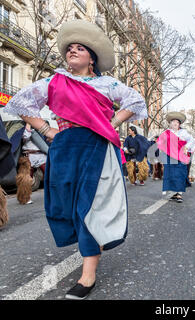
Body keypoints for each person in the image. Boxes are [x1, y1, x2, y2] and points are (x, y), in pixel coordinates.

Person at [3, 20, 147, 299]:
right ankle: (91, 244)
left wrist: (112, 121)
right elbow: (21, 103)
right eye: (70, 48)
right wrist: (46, 129)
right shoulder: (54, 81)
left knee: (88, 205)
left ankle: (87, 274)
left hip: (96, 147)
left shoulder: (106, 83)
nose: (72, 51)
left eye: (80, 48)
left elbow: (135, 101)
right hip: (65, 146)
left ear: (91, 59)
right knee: (64, 204)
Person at [157, 112, 195, 203]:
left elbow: (191, 140)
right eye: (173, 122)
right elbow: (160, 142)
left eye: (177, 122)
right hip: (169, 157)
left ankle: (179, 194)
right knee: (170, 174)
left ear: (179, 124)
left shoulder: (183, 132)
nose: (175, 123)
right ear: (170, 124)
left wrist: (186, 147)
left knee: (180, 174)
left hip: (180, 156)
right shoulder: (166, 133)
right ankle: (173, 193)